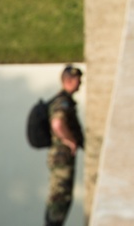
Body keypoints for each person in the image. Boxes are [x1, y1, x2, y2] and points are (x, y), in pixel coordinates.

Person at [45, 65, 84, 226]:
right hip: (62, 157)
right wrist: (70, 140)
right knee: (60, 197)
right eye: (78, 80)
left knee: (61, 196)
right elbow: (57, 123)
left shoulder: (64, 100)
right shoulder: (63, 102)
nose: (80, 83)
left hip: (61, 157)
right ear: (68, 81)